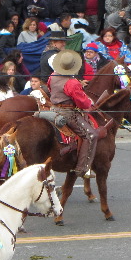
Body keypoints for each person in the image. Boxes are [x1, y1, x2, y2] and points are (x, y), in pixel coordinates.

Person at [47, 50, 97, 178]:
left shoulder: (52, 76)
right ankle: (82, 168)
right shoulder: (72, 83)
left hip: (53, 109)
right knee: (91, 135)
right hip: (68, 113)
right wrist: (89, 102)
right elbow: (82, 103)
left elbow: (50, 89)